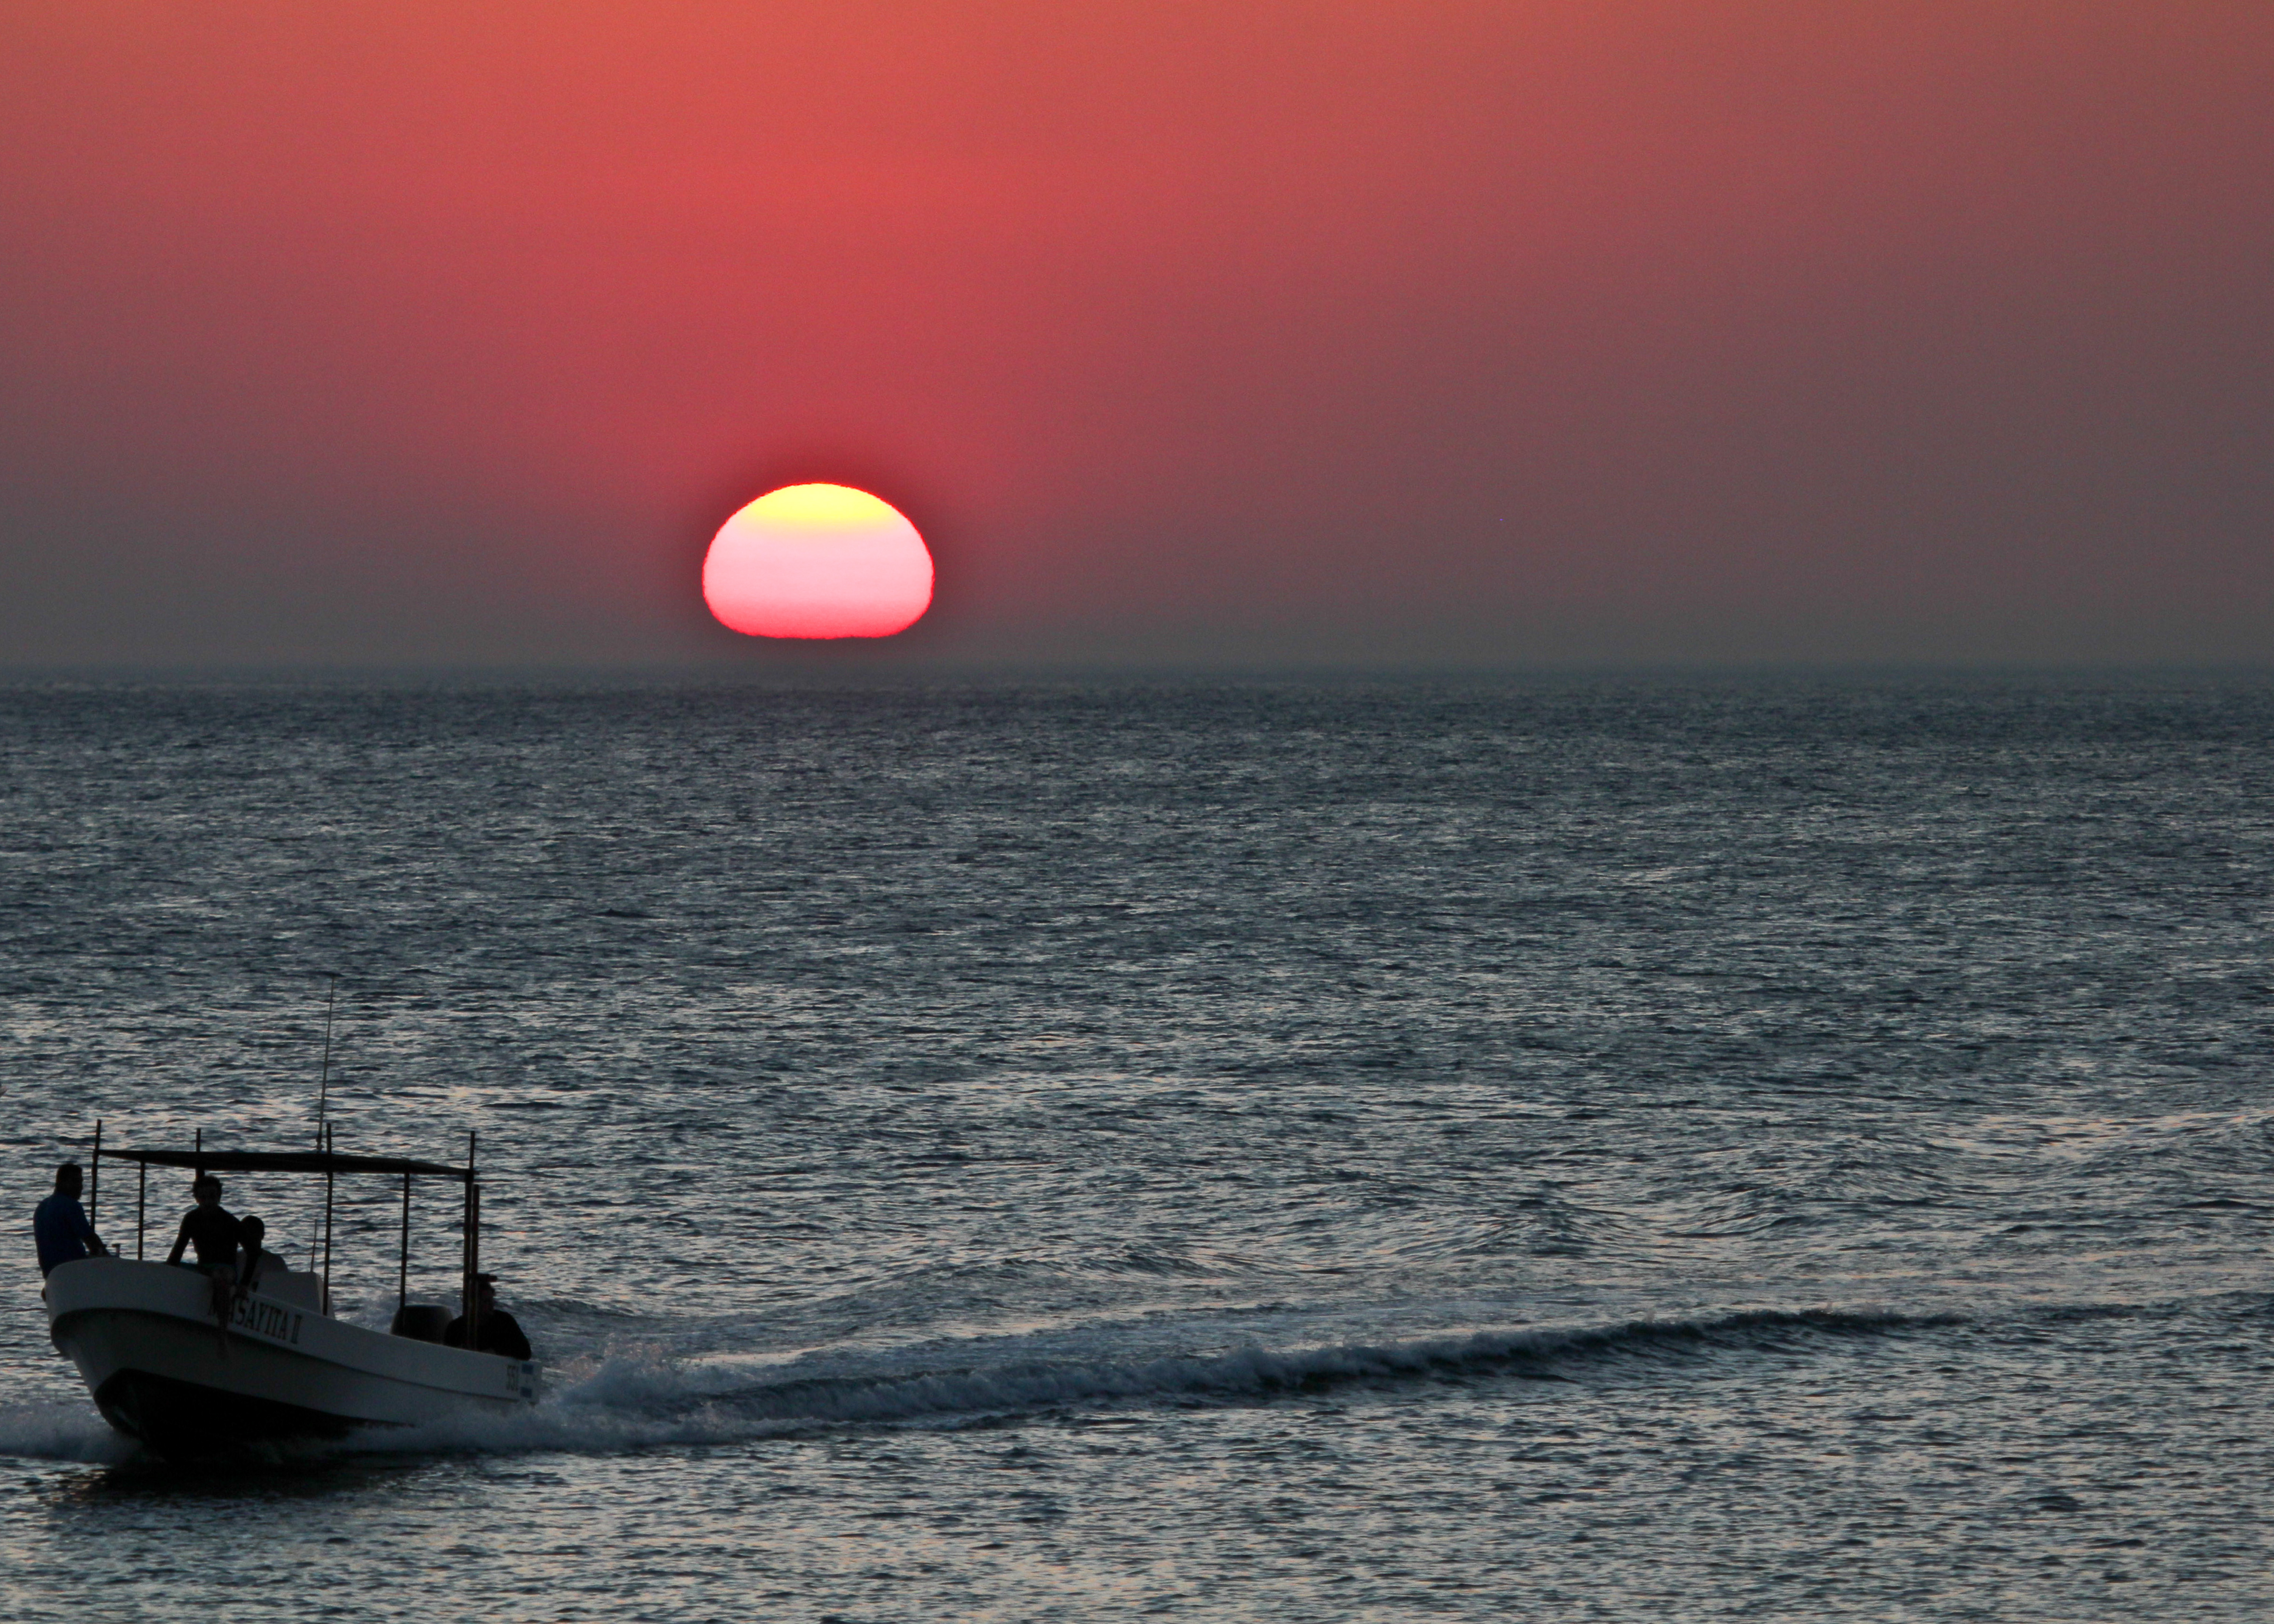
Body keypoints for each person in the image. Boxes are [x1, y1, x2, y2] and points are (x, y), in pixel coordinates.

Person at [34, 1163, 109, 1277]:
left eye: (81, 1182)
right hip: (71, 1271)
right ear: (61, 1183)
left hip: (51, 1274)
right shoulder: (70, 1205)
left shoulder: (42, 1207)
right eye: (75, 1182)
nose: (80, 1187)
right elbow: (90, 1240)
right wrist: (108, 1259)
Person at [443, 1274, 533, 1360]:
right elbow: (447, 1359)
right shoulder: (456, 1328)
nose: (491, 1305)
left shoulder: (504, 1321)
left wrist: (494, 1352)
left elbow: (525, 1353)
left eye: (492, 1300)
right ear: (473, 1304)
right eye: (486, 1302)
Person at [164, 1175, 241, 1274]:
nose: (208, 1202)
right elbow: (178, 1252)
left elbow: (253, 1252)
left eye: (212, 1197)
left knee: (222, 1275)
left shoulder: (231, 1221)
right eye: (203, 1198)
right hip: (202, 1269)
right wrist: (167, 1270)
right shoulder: (191, 1219)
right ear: (197, 1199)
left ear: (219, 1197)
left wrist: (244, 1282)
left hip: (226, 1270)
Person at [233, 1215, 277, 1298]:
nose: (249, 1239)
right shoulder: (234, 1259)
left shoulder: (276, 1263)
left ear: (262, 1235)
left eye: (253, 1234)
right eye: (246, 1235)